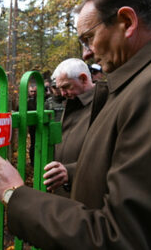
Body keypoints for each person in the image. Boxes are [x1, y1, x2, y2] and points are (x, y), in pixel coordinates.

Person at [0, 0, 151, 249]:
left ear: (127, 22)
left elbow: (123, 237)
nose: (87, 54)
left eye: (89, 38)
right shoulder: (145, 81)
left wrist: (15, 194)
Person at [43, 58, 96, 198]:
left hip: (88, 192)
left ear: (83, 79)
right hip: (65, 191)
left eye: (66, 87)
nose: (62, 93)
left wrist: (71, 172)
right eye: (60, 88)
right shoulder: (71, 102)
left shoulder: (103, 103)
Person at [27, 84, 37, 167]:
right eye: (31, 91)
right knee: (33, 144)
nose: (33, 93)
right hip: (32, 127)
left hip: (40, 125)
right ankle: (33, 162)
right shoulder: (26, 101)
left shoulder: (40, 99)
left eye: (34, 91)